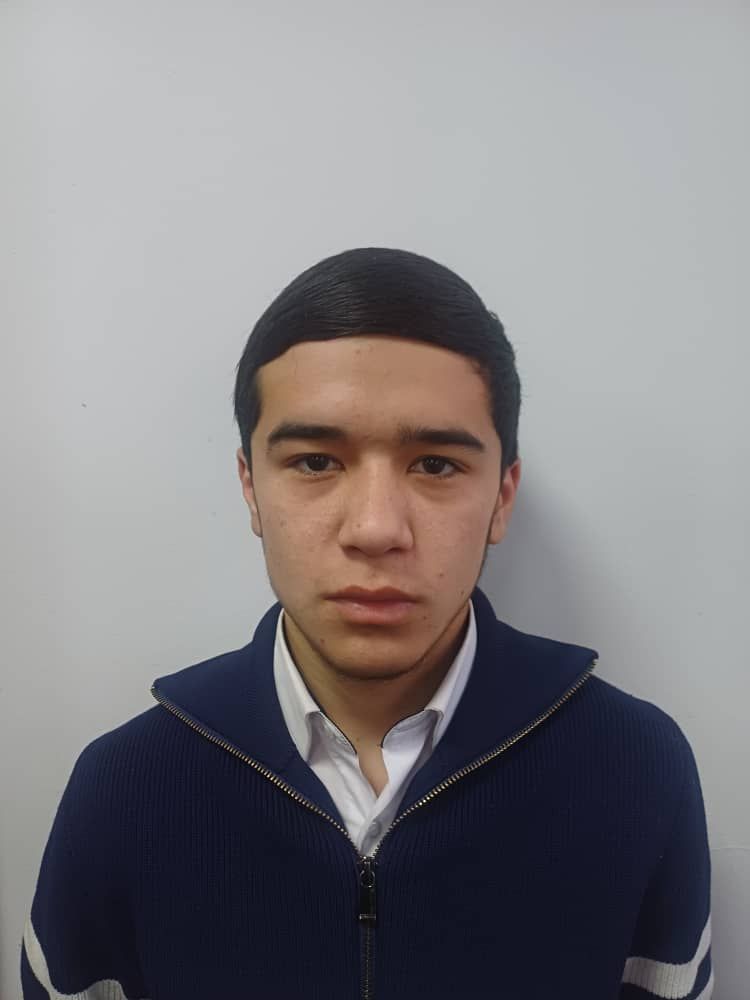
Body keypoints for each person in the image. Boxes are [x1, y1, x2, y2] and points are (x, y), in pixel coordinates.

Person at [21, 247, 713, 999]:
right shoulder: (126, 785)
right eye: (316, 462)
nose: (377, 529)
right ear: (250, 487)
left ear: (502, 497)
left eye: (436, 465)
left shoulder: (636, 767)